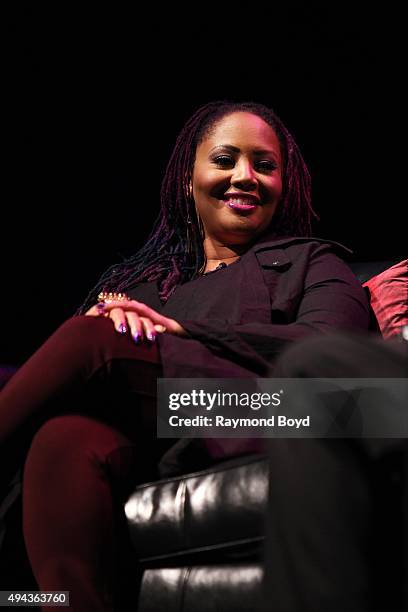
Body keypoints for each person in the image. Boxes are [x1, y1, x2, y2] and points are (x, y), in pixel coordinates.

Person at [0, 101, 371, 611]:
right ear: (186, 180)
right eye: (224, 159)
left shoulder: (312, 262)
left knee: (90, 341)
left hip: (271, 414)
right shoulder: (139, 287)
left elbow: (337, 354)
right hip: (162, 435)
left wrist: (182, 331)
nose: (245, 176)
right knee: (61, 440)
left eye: (264, 165)